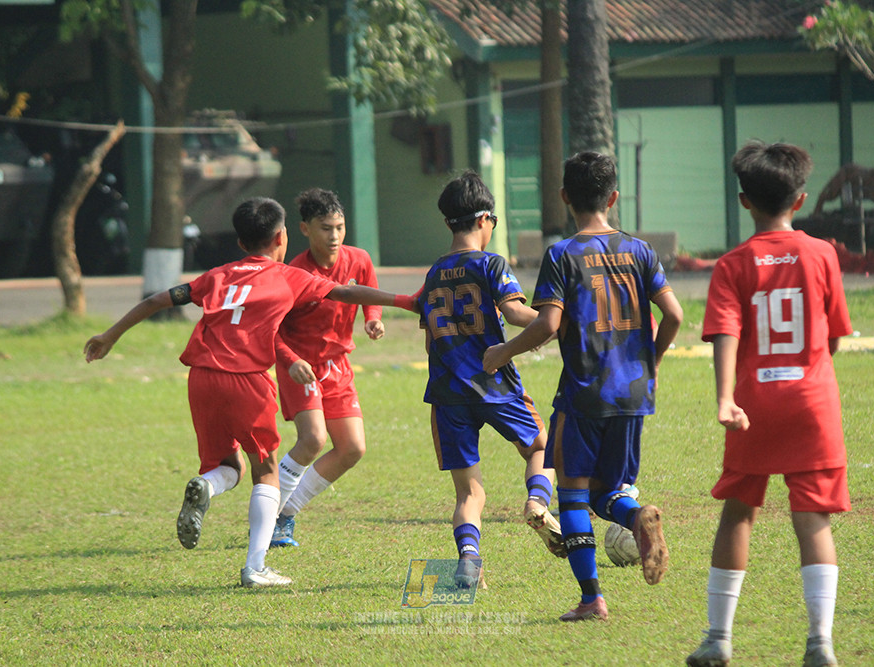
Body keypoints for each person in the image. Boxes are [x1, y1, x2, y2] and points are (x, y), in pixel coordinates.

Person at [84, 197, 415, 588]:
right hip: (247, 380)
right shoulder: (289, 276)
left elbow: (159, 299)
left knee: (229, 466)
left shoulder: (216, 276)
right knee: (267, 472)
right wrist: (406, 301)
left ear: (241, 243)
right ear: (282, 237)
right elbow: (345, 294)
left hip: (201, 378)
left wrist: (110, 336)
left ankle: (207, 486)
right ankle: (255, 567)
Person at [483, 151, 683, 621]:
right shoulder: (640, 251)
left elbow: (548, 324)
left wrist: (503, 352)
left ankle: (592, 598)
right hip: (633, 393)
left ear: (564, 197)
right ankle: (636, 516)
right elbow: (674, 315)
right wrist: (651, 361)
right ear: (613, 198)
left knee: (573, 497)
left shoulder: (562, 255)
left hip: (584, 392)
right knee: (606, 491)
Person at [686, 141, 851, 667]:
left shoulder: (733, 264)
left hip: (753, 406)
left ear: (744, 201)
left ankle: (718, 638)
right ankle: (820, 642)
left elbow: (726, 332)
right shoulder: (822, 254)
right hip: (812, 404)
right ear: (800, 199)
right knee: (813, 519)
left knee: (738, 513)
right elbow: (833, 336)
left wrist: (725, 399)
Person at [417, 170, 567, 588]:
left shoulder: (433, 273)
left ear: (448, 222)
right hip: (494, 383)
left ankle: (469, 561)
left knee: (469, 494)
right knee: (543, 447)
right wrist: (558, 321)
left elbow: (430, 341)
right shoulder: (490, 264)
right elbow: (516, 313)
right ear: (485, 220)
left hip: (447, 393)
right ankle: (537, 503)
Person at [269, 188, 384, 548]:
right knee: (313, 439)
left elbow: (369, 292)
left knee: (352, 448)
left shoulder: (358, 259)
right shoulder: (293, 273)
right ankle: (268, 517)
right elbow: (270, 330)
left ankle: (285, 513)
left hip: (337, 365)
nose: (334, 236)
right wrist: (291, 361)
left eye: (339, 227)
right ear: (304, 228)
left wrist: (373, 318)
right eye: (325, 228)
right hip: (301, 365)